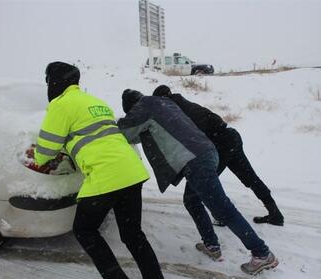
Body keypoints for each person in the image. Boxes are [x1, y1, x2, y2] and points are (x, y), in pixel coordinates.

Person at [117, 89, 278, 275]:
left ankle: (262, 253)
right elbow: (141, 133)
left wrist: (112, 125)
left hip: (195, 161)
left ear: (131, 107)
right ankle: (211, 245)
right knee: (192, 200)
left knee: (223, 209)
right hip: (207, 152)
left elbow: (124, 132)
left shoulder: (144, 107)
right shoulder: (164, 104)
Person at [33, 62, 164, 279]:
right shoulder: (95, 101)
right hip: (131, 171)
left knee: (84, 230)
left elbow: (45, 151)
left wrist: (42, 155)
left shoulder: (61, 104)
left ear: (54, 83)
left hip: (106, 175)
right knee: (133, 236)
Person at [152, 85, 284, 226]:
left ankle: (222, 217)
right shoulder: (184, 103)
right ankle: (275, 213)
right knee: (250, 177)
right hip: (231, 136)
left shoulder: (175, 110)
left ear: (162, 99)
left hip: (219, 144)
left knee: (202, 186)